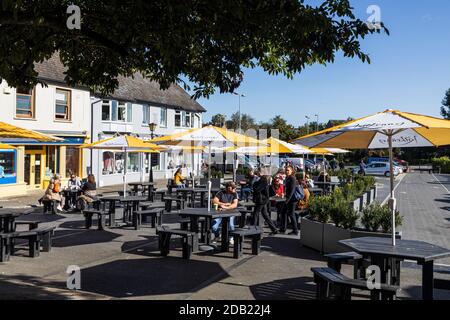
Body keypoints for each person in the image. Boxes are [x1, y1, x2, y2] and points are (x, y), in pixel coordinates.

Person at [253, 169, 278, 234]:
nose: (257, 172)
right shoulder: (263, 179)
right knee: (265, 215)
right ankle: (274, 229)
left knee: (255, 213)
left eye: (259, 171)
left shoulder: (263, 180)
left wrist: (254, 184)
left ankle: (252, 230)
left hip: (261, 200)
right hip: (263, 200)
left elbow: (257, 190)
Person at [280, 165, 299, 236]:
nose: (286, 171)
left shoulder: (292, 178)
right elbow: (287, 189)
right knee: (283, 212)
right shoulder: (288, 178)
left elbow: (291, 191)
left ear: (292, 171)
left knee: (291, 214)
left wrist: (287, 200)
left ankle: (295, 231)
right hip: (288, 198)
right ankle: (283, 228)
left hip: (292, 199)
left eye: (288, 170)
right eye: (286, 170)